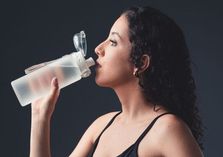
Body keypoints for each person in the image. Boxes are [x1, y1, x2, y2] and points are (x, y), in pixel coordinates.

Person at [29, 6, 204, 157]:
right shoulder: (101, 126)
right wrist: (40, 117)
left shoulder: (168, 129)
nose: (98, 49)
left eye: (112, 42)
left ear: (141, 63)